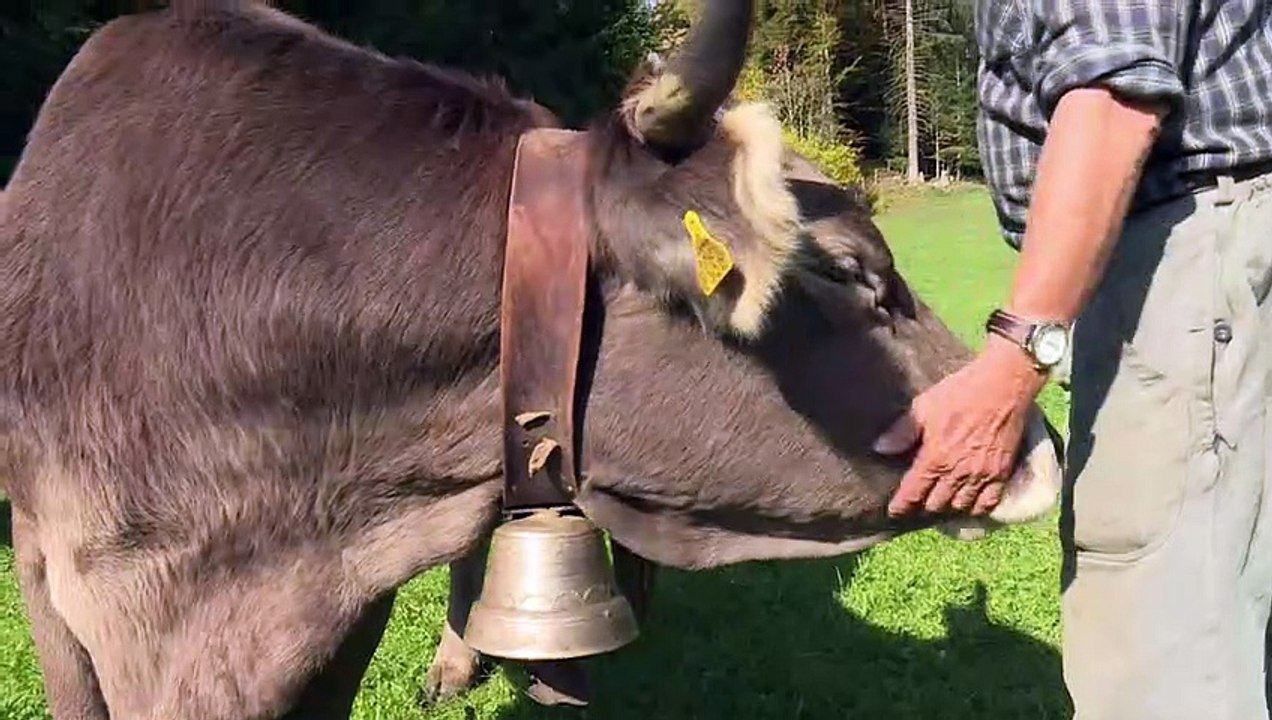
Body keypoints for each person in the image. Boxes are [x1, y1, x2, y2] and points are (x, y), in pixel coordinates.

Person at [872, 0, 1272, 718]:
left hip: (1187, 257)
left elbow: (1117, 95)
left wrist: (1016, 362)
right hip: (1220, 251)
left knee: (1166, 648)